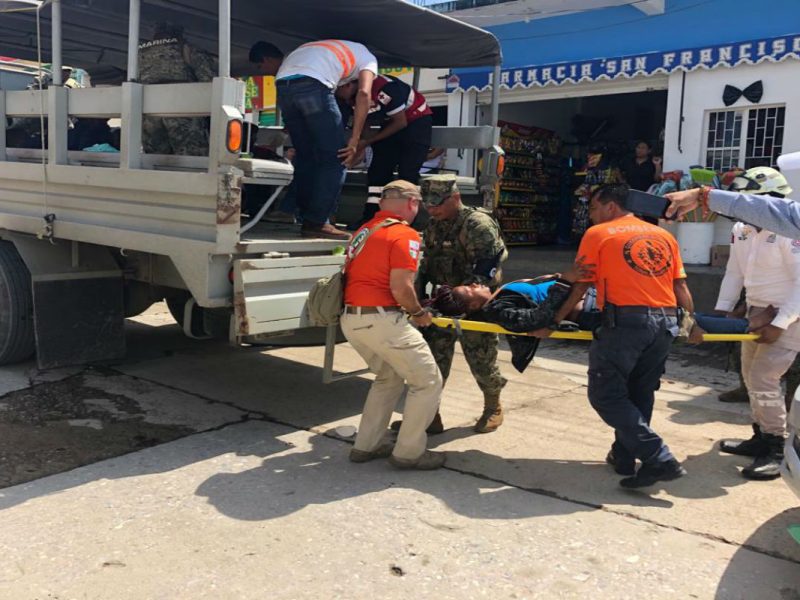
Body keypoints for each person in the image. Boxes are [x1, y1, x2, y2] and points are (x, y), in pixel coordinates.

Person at [545, 184, 693, 488]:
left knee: (606, 394)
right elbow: (680, 287)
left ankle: (658, 457)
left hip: (626, 323)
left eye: (595, 209)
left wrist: (554, 320)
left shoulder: (599, 234)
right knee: (640, 392)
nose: (592, 216)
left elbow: (582, 284)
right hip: (665, 324)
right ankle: (625, 456)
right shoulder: (664, 236)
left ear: (610, 206)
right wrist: (691, 325)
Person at [340, 180, 445, 470]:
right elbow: (401, 287)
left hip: (352, 319)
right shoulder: (404, 235)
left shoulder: (363, 231)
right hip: (382, 320)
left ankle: (367, 445)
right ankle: (409, 453)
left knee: (388, 378)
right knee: (427, 381)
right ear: (413, 203)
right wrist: (418, 312)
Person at [703, 167, 799, 480]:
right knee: (749, 375)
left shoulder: (789, 231)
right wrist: (722, 311)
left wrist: (782, 322)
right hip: (755, 312)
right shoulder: (743, 230)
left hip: (788, 314)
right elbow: (735, 272)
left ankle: (775, 447)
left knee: (764, 377)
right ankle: (760, 436)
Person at [393, 174, 508, 434]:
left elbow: (487, 269)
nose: (431, 209)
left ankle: (493, 407)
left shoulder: (477, 224)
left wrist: (462, 301)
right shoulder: (434, 225)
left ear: (455, 197)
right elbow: (425, 264)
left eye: (437, 203)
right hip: (442, 305)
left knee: (482, 360)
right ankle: (430, 415)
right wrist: (418, 298)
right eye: (428, 204)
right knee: (432, 364)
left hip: (475, 306)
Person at [249, 40, 378, 240]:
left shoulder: (309, 49)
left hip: (283, 86)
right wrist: (354, 140)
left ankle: (296, 213)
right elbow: (363, 93)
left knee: (306, 156)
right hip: (313, 87)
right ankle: (317, 222)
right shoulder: (368, 59)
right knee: (336, 159)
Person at [428, 272, 598, 373]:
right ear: (473, 305)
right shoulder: (498, 310)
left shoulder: (499, 297)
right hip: (590, 308)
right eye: (469, 289)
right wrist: (565, 281)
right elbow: (537, 318)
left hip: (592, 293)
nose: (473, 284)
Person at [336, 74, 433, 225]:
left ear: (347, 85)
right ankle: (371, 217)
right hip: (388, 123)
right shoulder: (350, 97)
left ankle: (408, 221)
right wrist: (362, 142)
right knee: (378, 171)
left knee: (407, 173)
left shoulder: (385, 88)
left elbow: (400, 122)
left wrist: (369, 141)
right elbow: (363, 121)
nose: (339, 97)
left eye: (338, 91)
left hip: (416, 121)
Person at [138, 22, 217, 156]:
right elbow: (210, 82)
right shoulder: (189, 50)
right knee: (191, 162)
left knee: (155, 162)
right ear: (179, 33)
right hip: (184, 114)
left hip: (150, 116)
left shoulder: (140, 54)